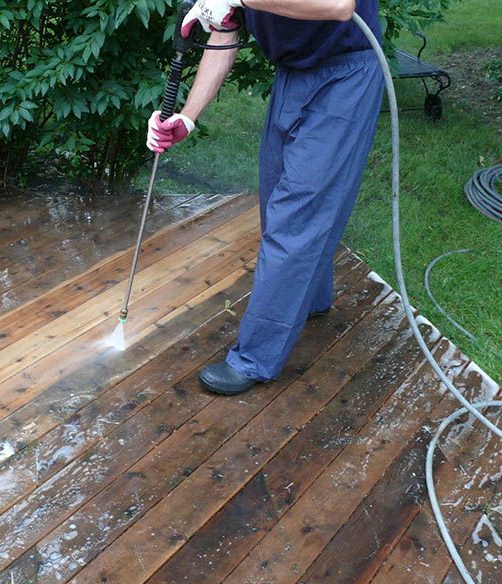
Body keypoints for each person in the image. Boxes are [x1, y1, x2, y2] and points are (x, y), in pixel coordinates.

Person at [146, 0, 384, 395]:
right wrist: (188, 117)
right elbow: (224, 32)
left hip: (346, 75)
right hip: (293, 75)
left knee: (297, 217)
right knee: (279, 202)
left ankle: (255, 358)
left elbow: (338, 5)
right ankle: (309, 299)